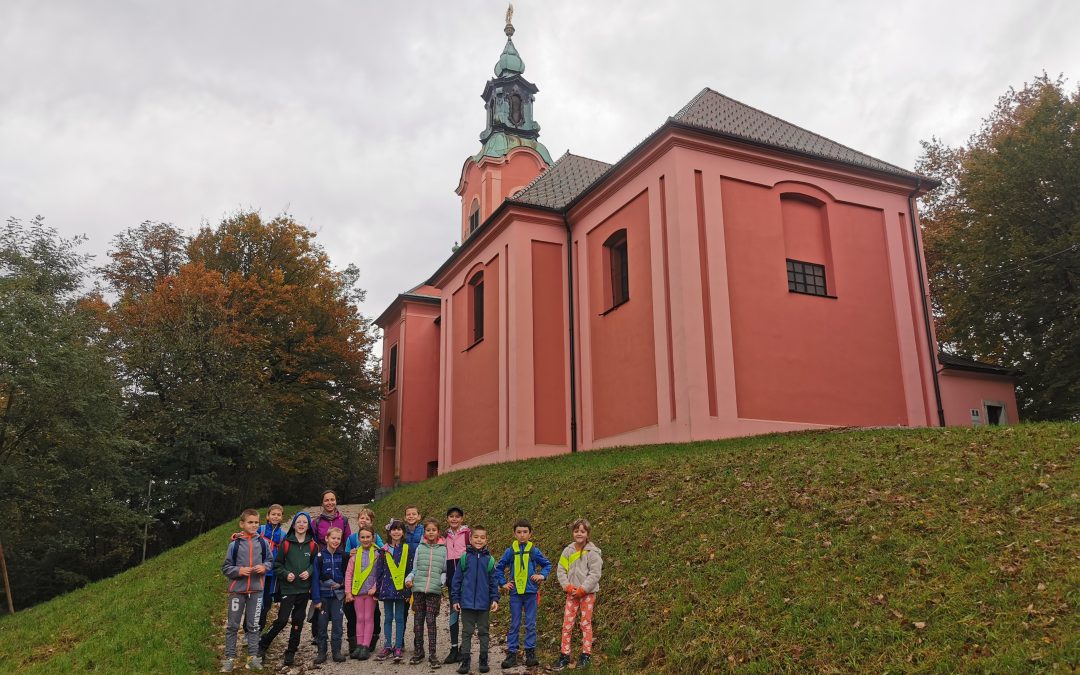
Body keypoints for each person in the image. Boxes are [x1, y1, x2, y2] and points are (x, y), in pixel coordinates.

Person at [259, 511, 317, 667]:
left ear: (309, 526)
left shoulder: (312, 545)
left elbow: (314, 565)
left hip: (304, 590)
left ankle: (291, 651)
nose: (301, 524)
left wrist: (309, 571)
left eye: (305, 522)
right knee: (282, 620)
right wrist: (286, 574)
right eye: (299, 522)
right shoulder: (286, 543)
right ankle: (263, 644)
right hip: (288, 589)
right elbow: (277, 565)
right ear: (294, 524)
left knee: (298, 621)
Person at [220, 509, 271, 673]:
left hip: (256, 591)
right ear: (242, 524)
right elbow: (226, 568)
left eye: (256, 522)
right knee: (233, 626)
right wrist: (239, 571)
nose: (254, 525)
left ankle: (253, 659)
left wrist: (264, 567)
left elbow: (270, 561)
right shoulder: (234, 545)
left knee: (254, 626)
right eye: (250, 522)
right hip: (237, 591)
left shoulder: (263, 543)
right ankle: (229, 659)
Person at [496, 519, 551, 669]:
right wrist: (503, 583)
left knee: (530, 623)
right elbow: (499, 567)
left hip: (531, 592)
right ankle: (512, 653)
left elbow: (547, 564)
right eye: (519, 532)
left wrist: (542, 576)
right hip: (515, 593)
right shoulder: (510, 551)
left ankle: (530, 653)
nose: (522, 535)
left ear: (530, 534)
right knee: (514, 623)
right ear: (514, 534)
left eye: (525, 532)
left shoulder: (534, 550)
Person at [553, 519, 603, 670]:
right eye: (576, 531)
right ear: (572, 533)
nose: (579, 534)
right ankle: (564, 655)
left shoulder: (593, 553)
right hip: (571, 593)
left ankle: (586, 655)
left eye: (582, 531)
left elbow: (595, 574)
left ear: (587, 534)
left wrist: (583, 589)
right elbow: (561, 570)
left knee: (585, 623)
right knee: (567, 624)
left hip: (587, 594)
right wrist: (567, 586)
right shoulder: (567, 551)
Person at [451, 524, 500, 675]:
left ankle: (483, 659)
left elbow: (493, 582)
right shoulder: (465, 558)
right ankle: (465, 660)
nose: (479, 540)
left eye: (482, 537)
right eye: (476, 537)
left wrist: (495, 599)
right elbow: (456, 580)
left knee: (484, 632)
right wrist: (455, 599)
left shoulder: (490, 560)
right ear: (470, 539)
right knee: (467, 632)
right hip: (466, 604)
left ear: (486, 540)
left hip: (484, 604)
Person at [310, 490, 351, 641]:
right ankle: (318, 635)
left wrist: (346, 558)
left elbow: (347, 541)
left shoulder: (344, 520)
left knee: (338, 598)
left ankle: (338, 636)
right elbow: (312, 541)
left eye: (332, 499)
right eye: (326, 500)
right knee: (320, 597)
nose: (330, 503)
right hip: (323, 561)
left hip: (339, 560)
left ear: (336, 501)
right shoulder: (317, 522)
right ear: (322, 503)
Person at [405, 517, 447, 667]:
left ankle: (433, 654)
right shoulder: (420, 548)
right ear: (425, 532)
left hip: (434, 591)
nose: (431, 532)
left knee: (431, 621)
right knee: (418, 621)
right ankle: (418, 651)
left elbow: (444, 570)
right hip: (418, 590)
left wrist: (441, 581)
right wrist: (409, 578)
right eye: (428, 530)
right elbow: (415, 568)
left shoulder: (443, 549)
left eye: (433, 530)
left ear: (438, 532)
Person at [344, 506, 384, 657]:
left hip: (370, 592)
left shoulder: (378, 555)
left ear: (373, 538)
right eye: (363, 537)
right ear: (358, 539)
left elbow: (380, 574)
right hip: (357, 591)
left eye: (368, 537)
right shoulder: (354, 556)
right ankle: (359, 645)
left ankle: (366, 646)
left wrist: (376, 587)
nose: (366, 539)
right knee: (359, 618)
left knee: (369, 618)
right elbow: (349, 574)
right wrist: (348, 591)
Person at [374, 519, 413, 663]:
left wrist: (409, 592)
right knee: (388, 617)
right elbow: (379, 571)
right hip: (387, 589)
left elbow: (410, 570)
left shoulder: (407, 549)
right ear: (389, 532)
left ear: (403, 532)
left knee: (400, 618)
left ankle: (398, 646)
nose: (396, 532)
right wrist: (377, 590)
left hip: (402, 589)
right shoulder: (383, 550)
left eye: (399, 529)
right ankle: (387, 645)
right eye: (393, 529)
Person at [312, 527, 348, 664]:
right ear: (326, 538)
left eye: (338, 538)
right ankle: (321, 652)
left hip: (338, 597)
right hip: (323, 596)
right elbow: (315, 578)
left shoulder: (343, 556)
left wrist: (344, 588)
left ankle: (336, 651)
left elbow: (347, 576)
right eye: (333, 538)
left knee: (338, 624)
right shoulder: (320, 557)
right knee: (321, 625)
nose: (336, 541)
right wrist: (316, 599)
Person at [442, 506, 471, 664]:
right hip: (452, 582)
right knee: (454, 615)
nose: (454, 519)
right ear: (447, 519)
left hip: (467, 583)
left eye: (457, 516)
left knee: (467, 616)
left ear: (462, 519)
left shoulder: (468, 534)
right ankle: (454, 648)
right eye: (451, 516)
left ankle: (464, 649)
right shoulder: (444, 536)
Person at [256, 504, 286, 632]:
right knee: (254, 602)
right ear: (268, 516)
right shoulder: (260, 530)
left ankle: (259, 629)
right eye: (273, 514)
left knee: (266, 603)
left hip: (272, 575)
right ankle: (248, 630)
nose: (276, 517)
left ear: (281, 517)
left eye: (278, 515)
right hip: (257, 572)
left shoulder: (283, 535)